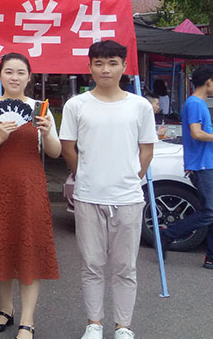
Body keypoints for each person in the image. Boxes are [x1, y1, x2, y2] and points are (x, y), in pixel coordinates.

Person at [60, 40, 157, 339]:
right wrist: (85, 175)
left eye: (113, 63)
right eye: (99, 63)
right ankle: (94, 323)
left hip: (128, 199)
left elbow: (146, 150)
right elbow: (67, 147)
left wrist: (131, 177)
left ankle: (123, 326)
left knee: (125, 266)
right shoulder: (76, 105)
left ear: (124, 66)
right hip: (88, 197)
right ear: (89, 67)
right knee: (92, 265)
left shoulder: (139, 106)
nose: (106, 69)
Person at [0, 53, 61, 339]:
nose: (14, 77)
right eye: (9, 71)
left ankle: (27, 319)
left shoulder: (39, 108)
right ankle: (5, 308)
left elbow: (55, 152)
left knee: (28, 249)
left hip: (29, 186)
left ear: (29, 76)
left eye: (20, 72)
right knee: (2, 245)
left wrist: (47, 133)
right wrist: (0, 137)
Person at [157, 65, 213, 269]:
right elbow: (197, 133)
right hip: (202, 165)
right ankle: (167, 234)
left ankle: (211, 258)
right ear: (209, 82)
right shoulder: (195, 103)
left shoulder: (197, 103)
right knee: (209, 212)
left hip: (206, 163)